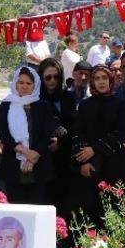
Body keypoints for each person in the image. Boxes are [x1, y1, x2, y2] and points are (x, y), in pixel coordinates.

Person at [71, 64, 125, 228]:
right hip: (89, 166)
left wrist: (94, 149)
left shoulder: (120, 104)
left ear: (111, 80)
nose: (101, 82)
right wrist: (83, 161)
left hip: (114, 165)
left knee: (113, 207)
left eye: (104, 78)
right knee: (90, 208)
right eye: (97, 78)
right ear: (92, 81)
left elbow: (120, 133)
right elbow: (77, 133)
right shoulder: (85, 105)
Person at [0, 66, 57, 204]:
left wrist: (33, 157)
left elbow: (46, 133)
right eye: (21, 82)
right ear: (15, 84)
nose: (24, 86)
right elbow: (5, 134)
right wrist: (25, 152)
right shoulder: (6, 105)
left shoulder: (43, 105)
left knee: (37, 207)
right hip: (13, 164)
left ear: (35, 85)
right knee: (17, 208)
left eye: (28, 83)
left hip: (39, 165)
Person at [38, 58, 77, 215]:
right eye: (48, 77)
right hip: (42, 157)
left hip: (65, 156)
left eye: (56, 77)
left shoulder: (68, 97)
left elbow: (75, 126)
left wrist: (60, 142)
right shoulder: (36, 99)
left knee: (64, 203)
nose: (52, 81)